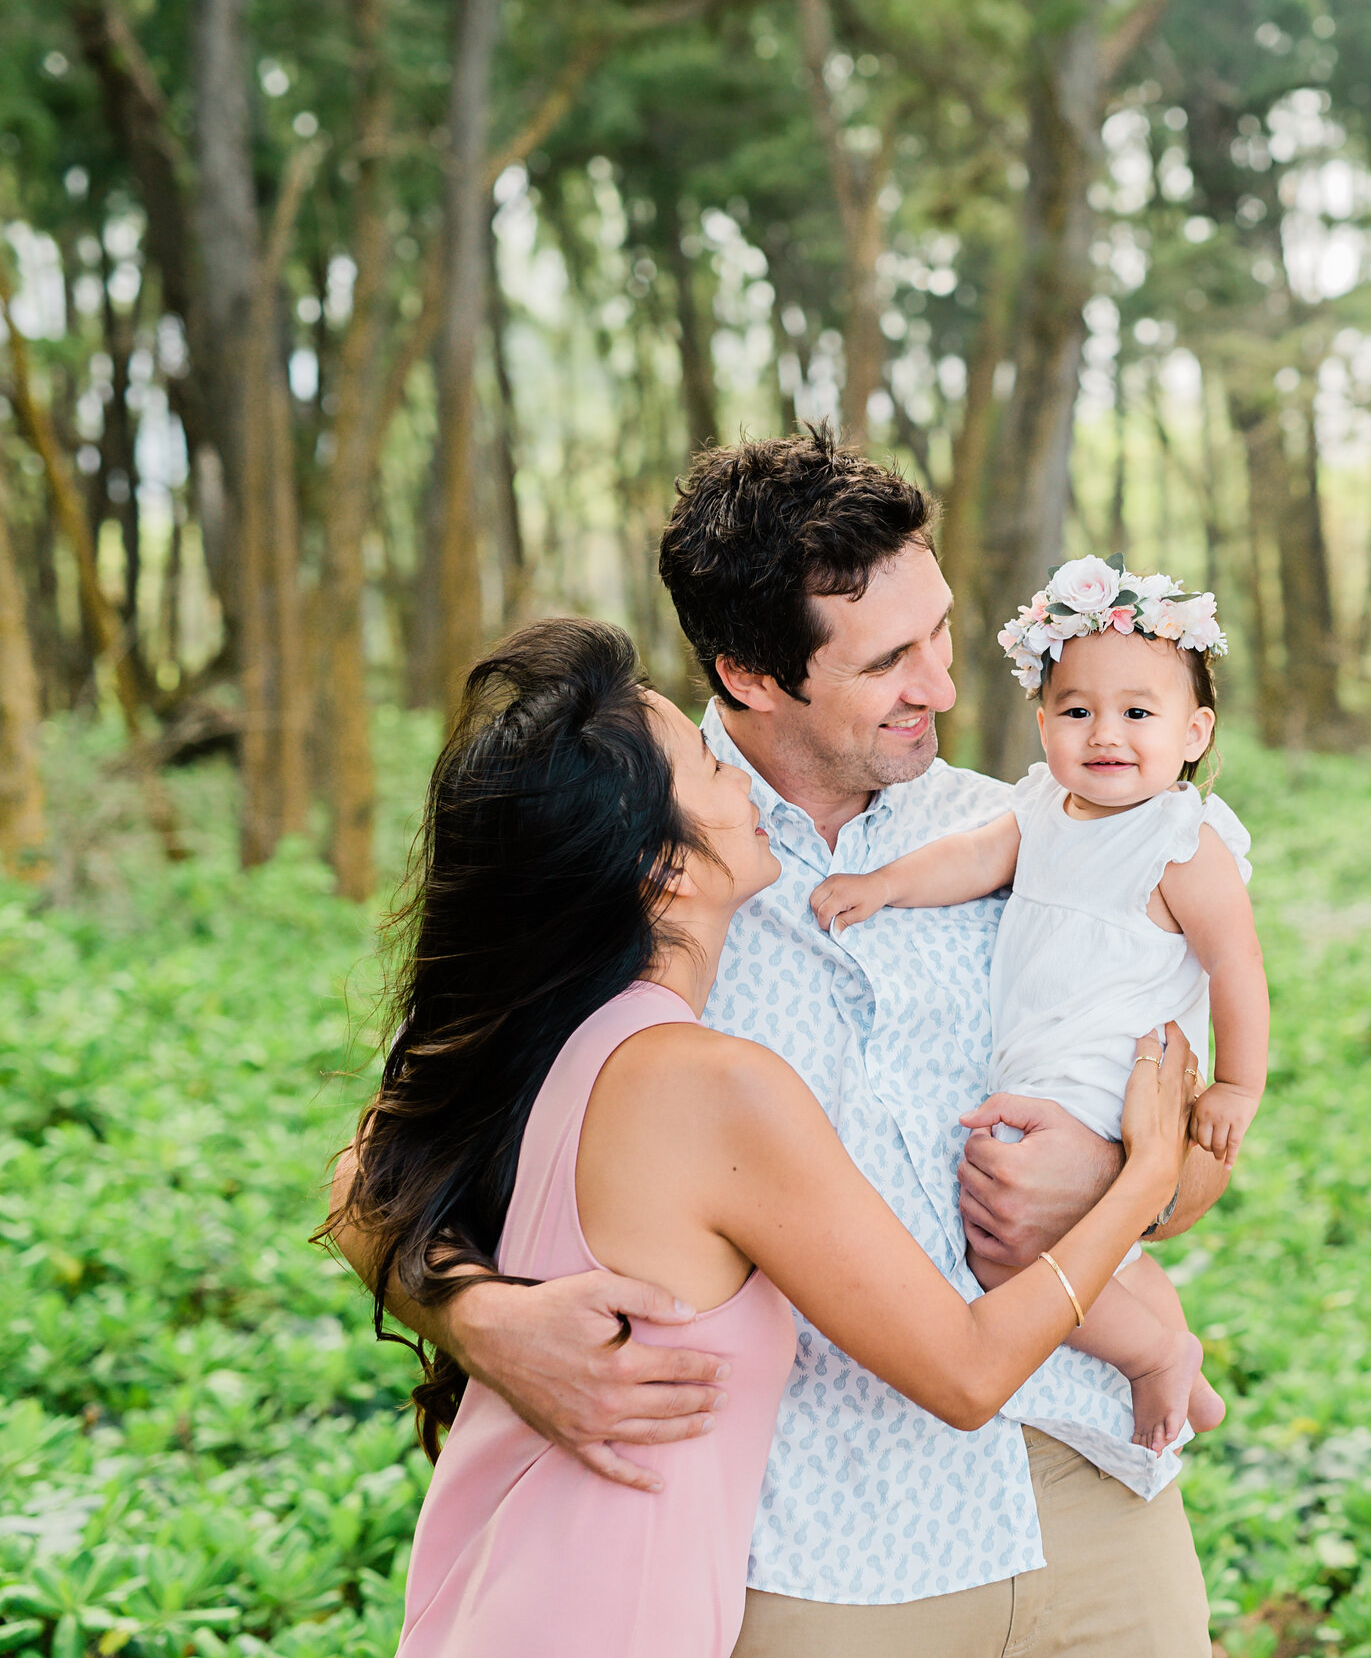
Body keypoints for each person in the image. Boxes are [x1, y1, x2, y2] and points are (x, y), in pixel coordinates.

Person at [328, 429, 1232, 1656]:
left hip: (1090, 1486)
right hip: (814, 1556)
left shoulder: (1051, 835)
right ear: (752, 672)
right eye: (889, 660)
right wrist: (479, 1319)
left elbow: (1196, 1143)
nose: (946, 686)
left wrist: (1131, 1177)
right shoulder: (643, 868)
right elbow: (383, 1164)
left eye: (944, 630)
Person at [810, 555, 1268, 1453]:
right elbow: (973, 857)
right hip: (1040, 1061)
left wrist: (1238, 1088)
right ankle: (1176, 1352)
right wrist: (885, 885)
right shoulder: (1043, 810)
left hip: (1109, 1073)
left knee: (1004, 1247)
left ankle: (1153, 1358)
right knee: (1102, 1251)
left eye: (1139, 713)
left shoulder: (1183, 840)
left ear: (1193, 730)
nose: (1106, 734)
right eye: (1077, 710)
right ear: (1043, 719)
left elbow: (1237, 966)